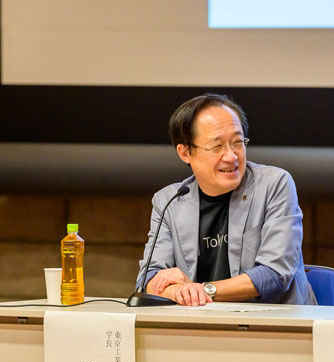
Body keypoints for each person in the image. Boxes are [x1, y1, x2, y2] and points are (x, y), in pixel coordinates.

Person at [135, 93, 316, 306]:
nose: (231, 156)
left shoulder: (274, 184)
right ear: (185, 153)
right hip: (197, 328)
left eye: (238, 143)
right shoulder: (169, 201)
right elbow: (148, 278)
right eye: (217, 146)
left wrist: (201, 290)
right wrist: (176, 291)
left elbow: (274, 274)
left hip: (275, 327)